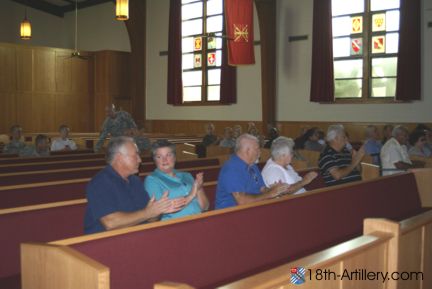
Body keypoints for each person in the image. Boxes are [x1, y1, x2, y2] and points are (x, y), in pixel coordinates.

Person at [84, 137, 185, 234]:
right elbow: (111, 223)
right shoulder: (101, 182)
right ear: (119, 157)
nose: (140, 160)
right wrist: (148, 213)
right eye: (135, 155)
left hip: (137, 236)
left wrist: (160, 210)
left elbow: (149, 218)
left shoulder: (135, 181)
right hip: (106, 243)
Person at [215, 134, 290, 209]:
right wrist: (269, 194)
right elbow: (242, 201)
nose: (259, 152)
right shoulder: (231, 168)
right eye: (257, 149)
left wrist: (276, 190)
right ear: (247, 151)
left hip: (252, 208)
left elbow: (262, 189)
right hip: (230, 215)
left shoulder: (252, 165)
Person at [144, 140, 209, 220]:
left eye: (168, 155)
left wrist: (199, 188)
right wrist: (191, 195)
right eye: (159, 157)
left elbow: (205, 207)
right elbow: (161, 210)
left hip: (199, 220)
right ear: (154, 160)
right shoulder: (152, 180)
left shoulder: (187, 175)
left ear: (175, 157)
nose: (164, 160)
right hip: (175, 226)